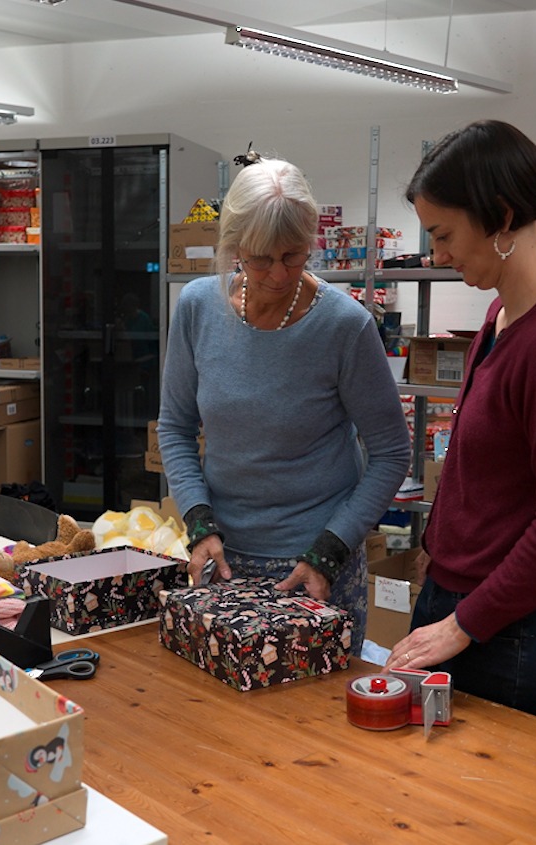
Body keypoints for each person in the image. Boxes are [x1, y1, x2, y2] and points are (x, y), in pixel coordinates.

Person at [384, 121, 536, 722]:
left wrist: (465, 624)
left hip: (514, 633)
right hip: (467, 608)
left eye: (444, 234)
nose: (437, 255)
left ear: (502, 216)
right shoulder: (502, 312)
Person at [158, 157, 411, 654]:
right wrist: (199, 521)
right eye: (259, 259)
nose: (278, 275)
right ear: (233, 249)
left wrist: (331, 551)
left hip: (316, 566)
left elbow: (391, 454)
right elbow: (175, 426)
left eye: (294, 257)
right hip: (223, 558)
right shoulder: (197, 308)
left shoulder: (346, 326)